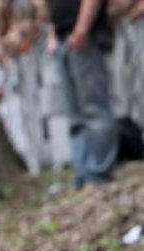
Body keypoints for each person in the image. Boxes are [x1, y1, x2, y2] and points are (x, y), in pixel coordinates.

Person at [50, 0, 118, 187]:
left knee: (94, 109)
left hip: (85, 36)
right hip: (63, 37)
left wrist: (82, 28)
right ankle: (83, 171)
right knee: (74, 115)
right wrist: (53, 34)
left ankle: (98, 171)